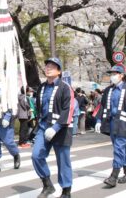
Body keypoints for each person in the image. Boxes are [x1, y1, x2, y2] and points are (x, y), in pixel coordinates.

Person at [31, 57, 74, 198]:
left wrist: (55, 127)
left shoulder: (65, 87)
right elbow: (39, 109)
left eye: (52, 66)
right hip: (44, 127)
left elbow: (68, 110)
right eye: (47, 65)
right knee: (36, 155)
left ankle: (66, 190)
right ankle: (47, 184)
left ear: (59, 71)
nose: (48, 68)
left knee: (63, 161)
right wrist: (38, 126)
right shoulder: (42, 88)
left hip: (61, 129)